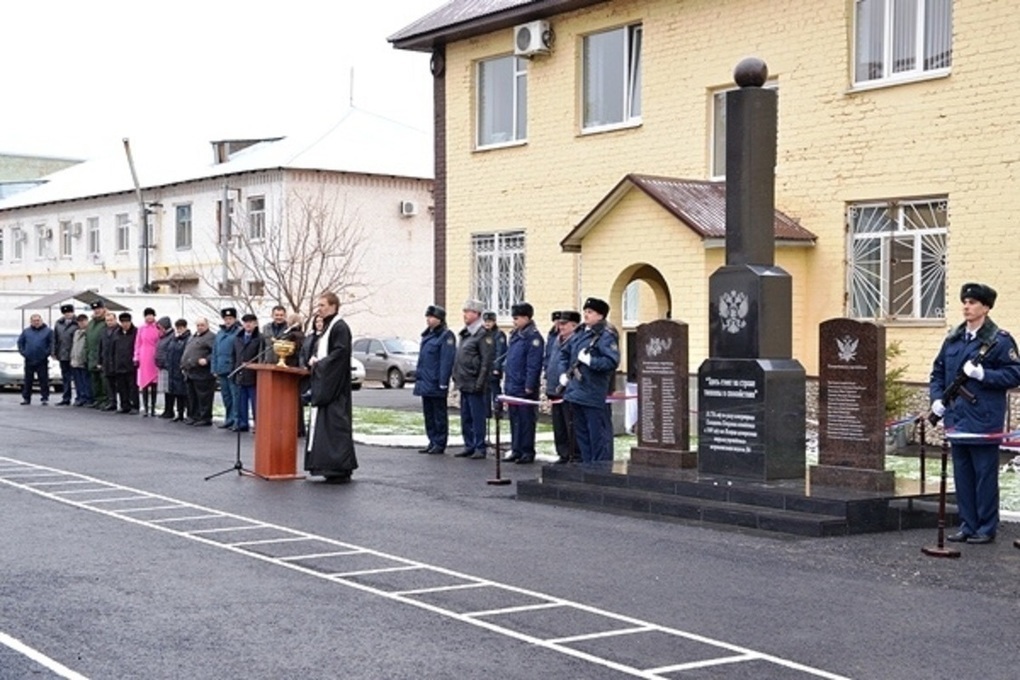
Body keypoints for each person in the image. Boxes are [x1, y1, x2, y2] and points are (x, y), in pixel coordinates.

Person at [929, 282, 1020, 544]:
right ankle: (967, 525)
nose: (967, 307)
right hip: (957, 417)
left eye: (973, 303)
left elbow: (1015, 373)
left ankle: (985, 527)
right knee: (963, 476)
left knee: (984, 476)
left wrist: (984, 374)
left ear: (986, 308)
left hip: (984, 418)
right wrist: (937, 399)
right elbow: (938, 372)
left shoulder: (998, 340)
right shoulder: (954, 338)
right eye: (965, 302)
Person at [557, 297, 620, 464]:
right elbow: (564, 353)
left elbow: (611, 362)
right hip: (576, 392)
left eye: (590, 312)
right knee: (582, 436)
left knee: (598, 437)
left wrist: (591, 361)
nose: (586, 314)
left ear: (600, 316)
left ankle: (600, 471)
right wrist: (563, 373)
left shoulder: (605, 335)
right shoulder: (581, 332)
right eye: (585, 311)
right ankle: (587, 468)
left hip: (593, 393)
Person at [304, 292, 358, 483]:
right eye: (318, 305)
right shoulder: (328, 327)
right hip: (328, 384)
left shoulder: (340, 327)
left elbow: (340, 354)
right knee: (326, 427)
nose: (319, 308)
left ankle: (339, 468)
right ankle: (327, 466)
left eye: (323, 305)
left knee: (336, 425)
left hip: (335, 388)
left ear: (334, 306)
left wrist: (320, 364)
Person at [501, 303, 544, 464]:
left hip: (524, 386)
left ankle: (527, 450)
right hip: (513, 384)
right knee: (515, 419)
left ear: (526, 318)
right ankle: (516, 448)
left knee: (526, 420)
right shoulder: (515, 335)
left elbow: (533, 364)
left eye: (517, 318)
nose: (514, 321)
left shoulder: (532, 337)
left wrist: (529, 385)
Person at [452, 299, 494, 459]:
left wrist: (481, 381)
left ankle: (479, 446)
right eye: (464, 311)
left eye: (468, 312)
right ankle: (469, 444)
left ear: (476, 314)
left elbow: (486, 360)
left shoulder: (483, 334)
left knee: (477, 417)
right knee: (466, 417)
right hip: (464, 381)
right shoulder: (466, 333)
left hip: (475, 381)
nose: (465, 315)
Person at [413, 305, 456, 455]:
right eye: (427, 317)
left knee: (439, 414)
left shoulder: (445, 336)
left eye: (431, 317)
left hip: (436, 382)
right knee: (429, 414)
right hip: (426, 381)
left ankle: (440, 441)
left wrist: (443, 381)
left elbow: (446, 361)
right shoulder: (428, 335)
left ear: (439, 319)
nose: (428, 320)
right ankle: (432, 440)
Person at [546, 310, 581, 463]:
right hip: (554, 387)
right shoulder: (557, 339)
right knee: (559, 425)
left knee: (570, 424)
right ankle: (563, 453)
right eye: (560, 324)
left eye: (564, 324)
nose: (561, 327)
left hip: (567, 389)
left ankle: (573, 454)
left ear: (574, 325)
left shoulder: (576, 340)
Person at [181, 317, 216, 426]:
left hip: (203, 373)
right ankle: (193, 416)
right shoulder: (193, 337)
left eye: (202, 325)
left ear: (207, 325)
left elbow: (215, 352)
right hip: (191, 372)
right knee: (192, 396)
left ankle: (205, 417)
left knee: (203, 397)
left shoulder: (211, 337)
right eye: (198, 325)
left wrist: (207, 359)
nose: (200, 327)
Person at [231, 313, 261, 433]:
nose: (248, 325)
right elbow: (233, 355)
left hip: (253, 375)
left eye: (250, 322)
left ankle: (258, 424)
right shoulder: (237, 338)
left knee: (255, 402)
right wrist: (234, 370)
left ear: (255, 324)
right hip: (240, 373)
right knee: (241, 402)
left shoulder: (259, 338)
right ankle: (242, 423)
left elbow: (261, 356)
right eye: (245, 322)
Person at [483, 310, 507, 451]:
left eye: (490, 321)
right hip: (484, 372)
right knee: (485, 398)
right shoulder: (483, 334)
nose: (487, 324)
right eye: (486, 321)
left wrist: (497, 367)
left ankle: (498, 413)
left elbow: (500, 352)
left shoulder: (499, 335)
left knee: (496, 395)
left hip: (493, 370)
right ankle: (487, 419)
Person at [213, 308, 241, 429]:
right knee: (226, 396)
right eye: (226, 319)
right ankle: (228, 419)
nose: (228, 321)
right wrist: (214, 368)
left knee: (235, 396)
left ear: (235, 319)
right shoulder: (220, 333)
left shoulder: (238, 332)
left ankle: (236, 420)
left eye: (230, 319)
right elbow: (215, 351)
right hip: (221, 368)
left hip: (232, 368)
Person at [17, 314, 53, 406]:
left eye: (38, 320)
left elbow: (51, 344)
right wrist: (24, 353)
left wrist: (46, 353)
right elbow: (20, 343)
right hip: (29, 359)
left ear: (41, 321)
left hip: (42, 359)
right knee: (28, 380)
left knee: (43, 380)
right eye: (34, 321)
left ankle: (44, 398)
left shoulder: (48, 331)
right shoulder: (26, 332)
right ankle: (26, 398)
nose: (36, 322)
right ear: (31, 322)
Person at [134, 307, 160, 417]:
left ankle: (153, 407)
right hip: (144, 356)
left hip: (154, 355)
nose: (149, 317)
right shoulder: (141, 328)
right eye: (147, 315)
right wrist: (136, 357)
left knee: (154, 383)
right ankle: (145, 407)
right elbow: (137, 343)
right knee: (144, 384)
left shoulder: (158, 328)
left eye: (151, 315)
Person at [111, 312, 140, 414]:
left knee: (132, 387)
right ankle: (124, 405)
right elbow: (113, 349)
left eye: (127, 322)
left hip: (131, 365)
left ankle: (135, 406)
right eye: (123, 322)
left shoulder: (136, 332)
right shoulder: (117, 333)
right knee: (121, 387)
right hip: (119, 364)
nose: (125, 324)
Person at [85, 300, 110, 410]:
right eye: (95, 309)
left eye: (99, 309)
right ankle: (98, 399)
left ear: (104, 309)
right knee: (95, 380)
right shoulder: (91, 323)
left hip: (102, 356)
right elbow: (87, 340)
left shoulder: (106, 322)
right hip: (92, 356)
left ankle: (106, 400)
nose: (97, 311)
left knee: (104, 380)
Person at [164, 319, 191, 421]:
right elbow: (169, 352)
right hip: (172, 369)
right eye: (177, 328)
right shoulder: (174, 339)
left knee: (184, 393)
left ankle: (187, 413)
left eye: (181, 328)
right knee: (176, 393)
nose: (179, 330)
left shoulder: (187, 339)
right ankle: (179, 413)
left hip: (180, 369)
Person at [52, 303, 77, 405]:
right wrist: (53, 351)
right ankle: (66, 398)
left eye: (69, 312)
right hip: (62, 354)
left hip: (74, 354)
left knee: (77, 378)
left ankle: (80, 397)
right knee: (65, 377)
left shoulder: (77, 323)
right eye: (65, 313)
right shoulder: (59, 323)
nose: (68, 314)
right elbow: (55, 338)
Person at [69, 314, 94, 407]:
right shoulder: (76, 332)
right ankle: (80, 397)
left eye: (83, 321)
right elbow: (74, 346)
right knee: (78, 381)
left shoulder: (89, 332)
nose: (81, 323)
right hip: (75, 360)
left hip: (83, 360)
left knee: (86, 381)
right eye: (79, 321)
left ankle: (88, 398)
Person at [97, 312, 120, 411]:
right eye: (107, 321)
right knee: (109, 384)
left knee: (119, 384)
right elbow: (100, 347)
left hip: (116, 361)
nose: (109, 322)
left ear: (115, 320)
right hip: (106, 361)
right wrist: (99, 361)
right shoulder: (103, 331)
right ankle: (112, 402)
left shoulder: (119, 330)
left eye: (111, 320)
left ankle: (123, 403)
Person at [154, 317, 174, 417]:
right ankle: (167, 409)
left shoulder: (171, 336)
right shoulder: (163, 337)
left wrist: (166, 362)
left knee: (169, 389)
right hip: (162, 366)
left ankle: (170, 410)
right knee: (166, 390)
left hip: (168, 366)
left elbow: (169, 351)